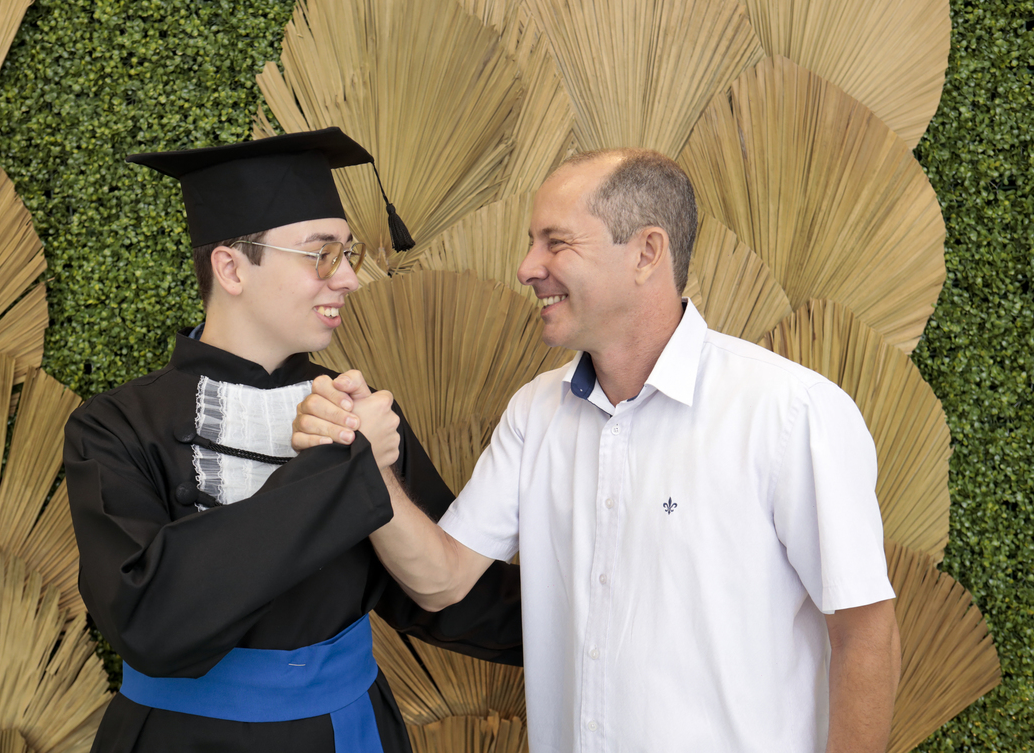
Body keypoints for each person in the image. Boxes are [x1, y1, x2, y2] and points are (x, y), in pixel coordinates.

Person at [294, 148, 903, 752]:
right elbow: (441, 580)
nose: (526, 267)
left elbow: (865, 634)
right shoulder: (535, 412)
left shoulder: (790, 412)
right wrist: (369, 464)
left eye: (556, 243)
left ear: (646, 252)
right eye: (531, 243)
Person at [64, 128, 522, 753]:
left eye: (348, 254)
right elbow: (149, 621)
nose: (349, 279)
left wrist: (600, 623)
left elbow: (446, 593)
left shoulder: (360, 411)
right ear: (231, 268)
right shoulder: (113, 427)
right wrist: (342, 467)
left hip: (350, 731)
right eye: (321, 254)